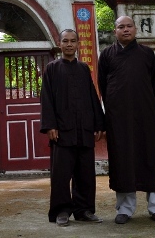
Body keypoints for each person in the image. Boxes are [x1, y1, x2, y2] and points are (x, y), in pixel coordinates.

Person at [97, 16, 155, 224]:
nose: (125, 30)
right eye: (121, 27)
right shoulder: (107, 55)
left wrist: (145, 106)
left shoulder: (146, 53)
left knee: (149, 159)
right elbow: (103, 86)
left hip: (144, 116)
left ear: (135, 29)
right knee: (122, 161)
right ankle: (125, 209)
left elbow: (154, 83)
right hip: (118, 118)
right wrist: (112, 110)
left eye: (129, 26)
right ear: (115, 31)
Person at [40, 29, 105, 227]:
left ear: (78, 44)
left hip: (84, 129)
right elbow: (46, 99)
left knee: (85, 173)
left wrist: (98, 123)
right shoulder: (52, 68)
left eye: (73, 41)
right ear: (59, 44)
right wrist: (50, 125)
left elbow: (92, 96)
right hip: (62, 131)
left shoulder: (84, 68)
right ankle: (61, 211)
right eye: (65, 41)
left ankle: (84, 210)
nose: (69, 44)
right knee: (61, 174)